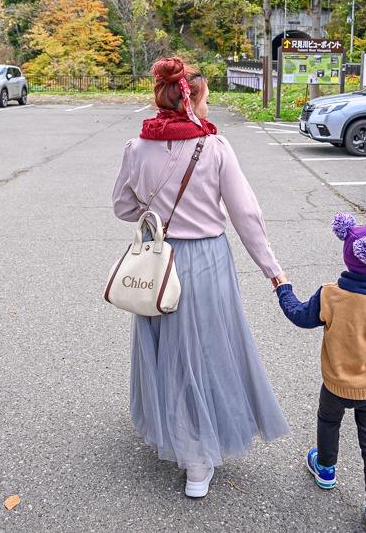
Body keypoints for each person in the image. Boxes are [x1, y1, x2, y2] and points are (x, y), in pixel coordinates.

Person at [111, 57, 290, 498]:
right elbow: (247, 215)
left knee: (167, 350)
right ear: (191, 100)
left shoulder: (137, 148)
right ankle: (197, 463)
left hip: (160, 261)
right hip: (207, 260)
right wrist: (273, 270)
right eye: (207, 100)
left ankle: (173, 433)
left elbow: (123, 207)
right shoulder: (214, 148)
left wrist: (157, 217)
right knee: (206, 351)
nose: (210, 109)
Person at [275, 213, 366, 532]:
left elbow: (300, 315)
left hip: (334, 385)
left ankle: (325, 469)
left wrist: (283, 287)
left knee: (329, 421)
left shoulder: (330, 294)